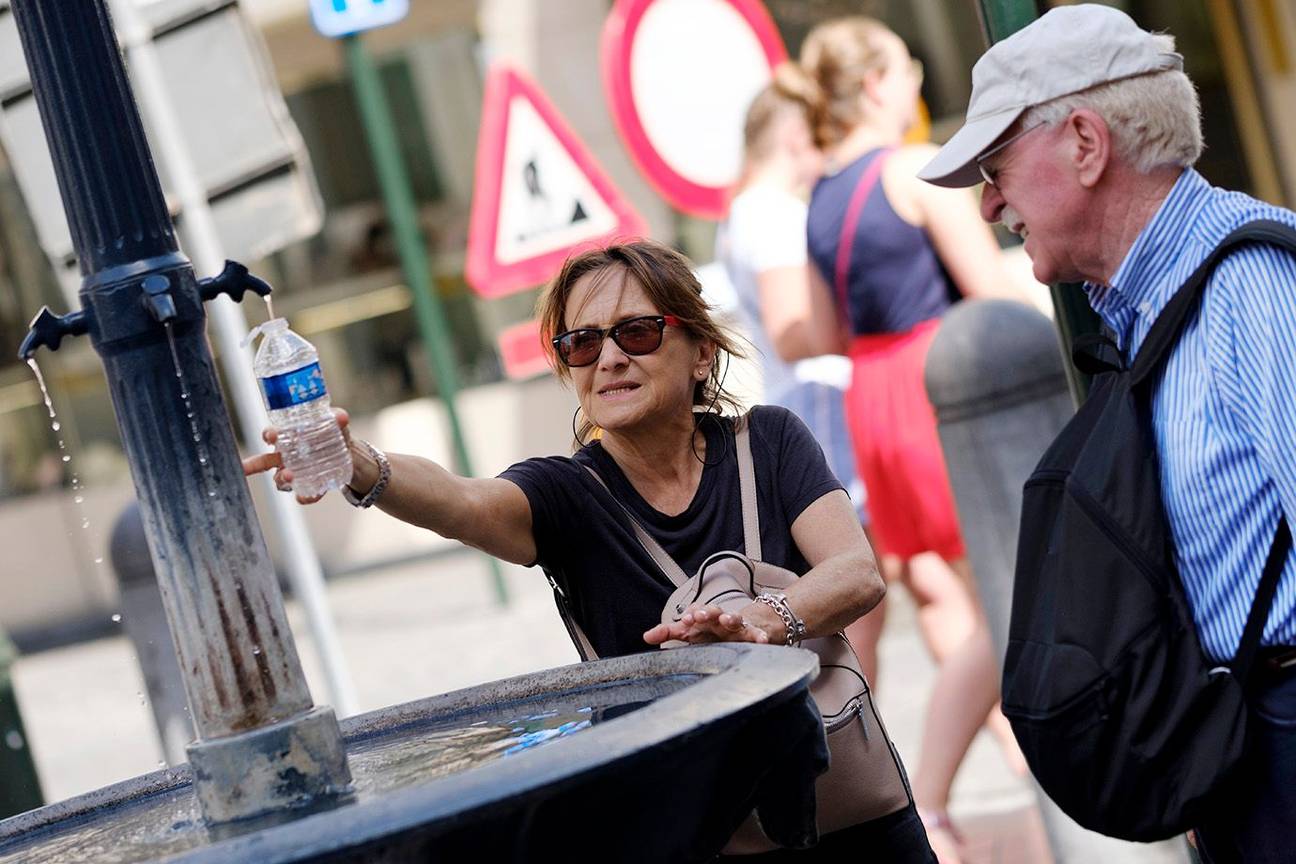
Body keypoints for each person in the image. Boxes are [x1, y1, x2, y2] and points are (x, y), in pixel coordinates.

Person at [245, 239, 936, 861]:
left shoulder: (773, 441)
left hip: (856, 815)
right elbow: (462, 501)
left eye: (635, 331)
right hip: (703, 837)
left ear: (700, 351)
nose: (608, 357)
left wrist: (765, 620)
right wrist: (360, 463)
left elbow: (855, 572)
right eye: (580, 343)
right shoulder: (566, 495)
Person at [917, 5, 1296, 862]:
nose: (987, 203)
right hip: (1247, 750)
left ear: (1086, 143)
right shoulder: (1154, 305)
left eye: (996, 163)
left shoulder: (1257, 288)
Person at [792, 17, 1028, 860]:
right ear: (881, 86)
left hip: (876, 399)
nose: (921, 83)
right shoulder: (913, 173)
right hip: (945, 386)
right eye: (909, 69)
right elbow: (993, 295)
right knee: (1010, 603)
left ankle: (1012, 765)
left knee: (970, 600)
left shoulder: (820, 193)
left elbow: (823, 328)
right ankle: (925, 797)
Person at [717, 66, 887, 686]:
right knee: (856, 602)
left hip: (809, 407)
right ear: (793, 137)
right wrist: (877, 314)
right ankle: (850, 735)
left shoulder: (743, 211)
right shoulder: (771, 213)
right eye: (818, 135)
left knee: (880, 596)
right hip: (821, 409)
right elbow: (794, 328)